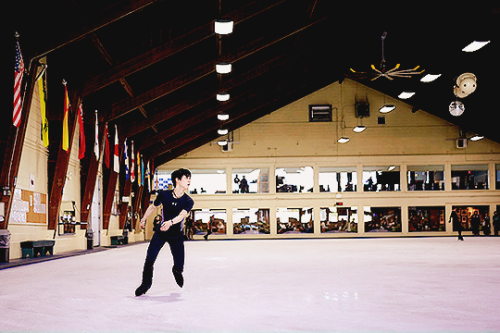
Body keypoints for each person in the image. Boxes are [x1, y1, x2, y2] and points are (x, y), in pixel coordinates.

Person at [135, 168, 194, 296]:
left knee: (179, 265)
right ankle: (145, 285)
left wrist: (171, 222)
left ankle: (176, 271)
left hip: (177, 235)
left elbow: (182, 215)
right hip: (161, 233)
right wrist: (143, 219)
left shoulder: (188, 201)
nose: (189, 180)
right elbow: (152, 207)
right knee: (149, 258)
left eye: (190, 178)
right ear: (177, 180)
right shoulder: (163, 194)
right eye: (186, 178)